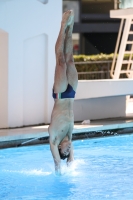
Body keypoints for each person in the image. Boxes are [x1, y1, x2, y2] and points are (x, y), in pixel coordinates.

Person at [48, 10, 78, 174]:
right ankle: (70, 26)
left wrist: (59, 165)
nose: (69, 150)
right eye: (69, 152)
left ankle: (62, 25)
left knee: (61, 61)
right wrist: (70, 160)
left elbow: (58, 163)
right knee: (70, 58)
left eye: (66, 151)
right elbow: (71, 160)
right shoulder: (70, 137)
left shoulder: (55, 138)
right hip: (72, 93)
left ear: (60, 147)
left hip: (60, 95)